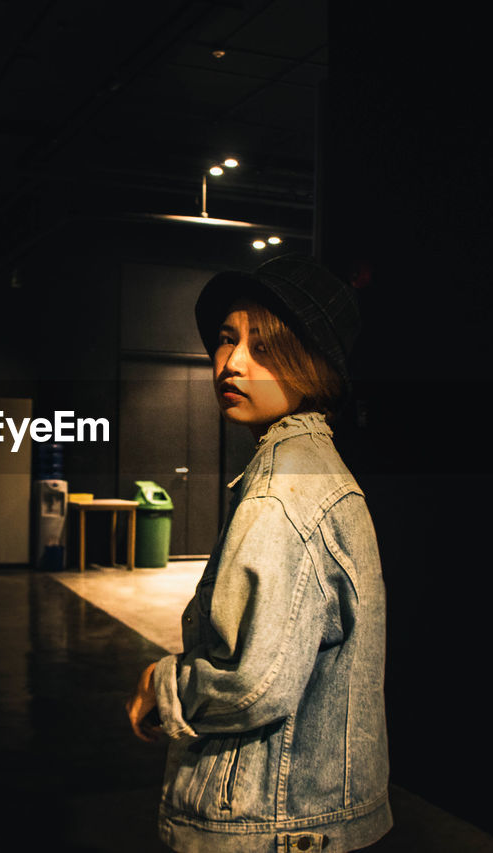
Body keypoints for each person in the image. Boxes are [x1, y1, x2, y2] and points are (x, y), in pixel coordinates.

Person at [125, 253, 392, 853]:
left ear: (312, 364)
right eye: (225, 340)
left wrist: (161, 683)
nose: (232, 363)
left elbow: (252, 683)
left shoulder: (281, 490)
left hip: (267, 825)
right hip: (316, 815)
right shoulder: (323, 470)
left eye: (264, 346)